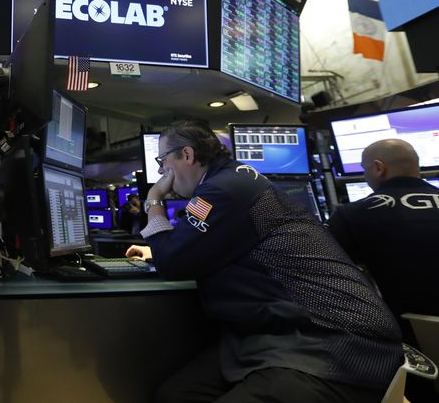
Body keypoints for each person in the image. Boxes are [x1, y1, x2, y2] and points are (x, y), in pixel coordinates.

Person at [126, 121, 402, 403]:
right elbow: (205, 245)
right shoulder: (235, 179)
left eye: (163, 161)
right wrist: (168, 247)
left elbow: (172, 261)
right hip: (286, 336)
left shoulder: (223, 189)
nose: (162, 171)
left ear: (186, 155)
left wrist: (154, 199)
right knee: (177, 394)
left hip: (339, 347)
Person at [328, 138, 439, 403]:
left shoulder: (352, 215)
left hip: (418, 350)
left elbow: (330, 277)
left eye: (365, 171)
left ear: (378, 168)